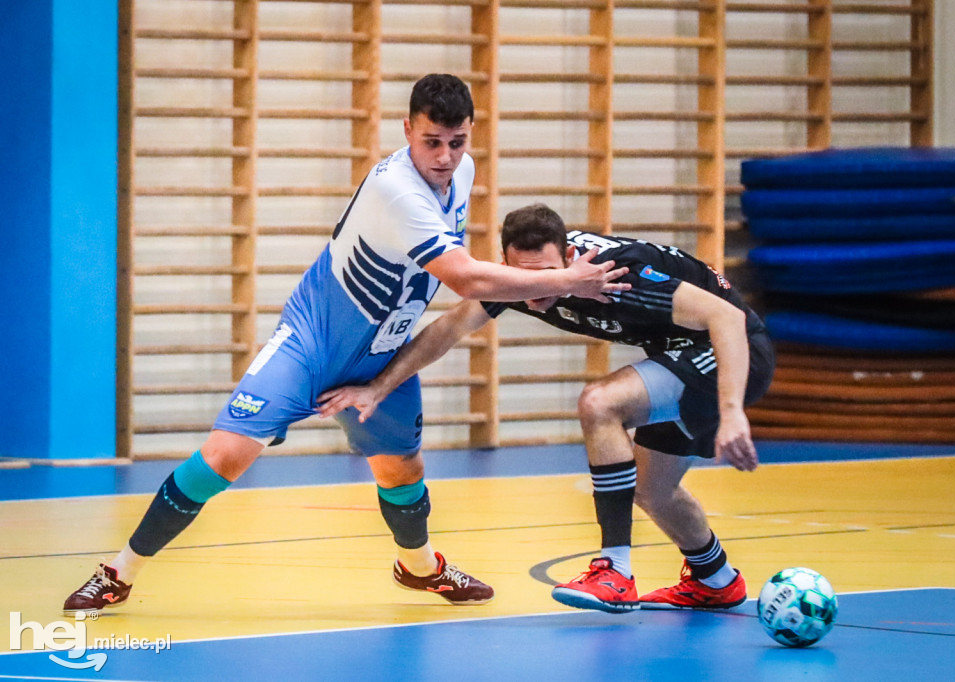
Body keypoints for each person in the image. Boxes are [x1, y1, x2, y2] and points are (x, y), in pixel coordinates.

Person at [64, 77, 630, 615]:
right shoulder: (396, 188)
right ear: (406, 130)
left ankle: (419, 566)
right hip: (311, 343)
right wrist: (568, 280)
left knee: (401, 473)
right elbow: (467, 280)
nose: (444, 156)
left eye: (457, 143)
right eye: (431, 141)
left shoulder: (463, 172)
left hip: (382, 353)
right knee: (223, 457)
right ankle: (119, 573)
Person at [315, 203, 775, 614]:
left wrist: (732, 412)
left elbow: (728, 318)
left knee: (600, 403)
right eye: (526, 277)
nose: (536, 291)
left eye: (547, 274)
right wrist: (378, 388)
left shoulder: (617, 273)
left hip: (731, 350)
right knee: (654, 491)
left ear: (571, 261)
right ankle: (715, 579)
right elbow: (449, 329)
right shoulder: (520, 282)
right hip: (679, 356)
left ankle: (613, 570)